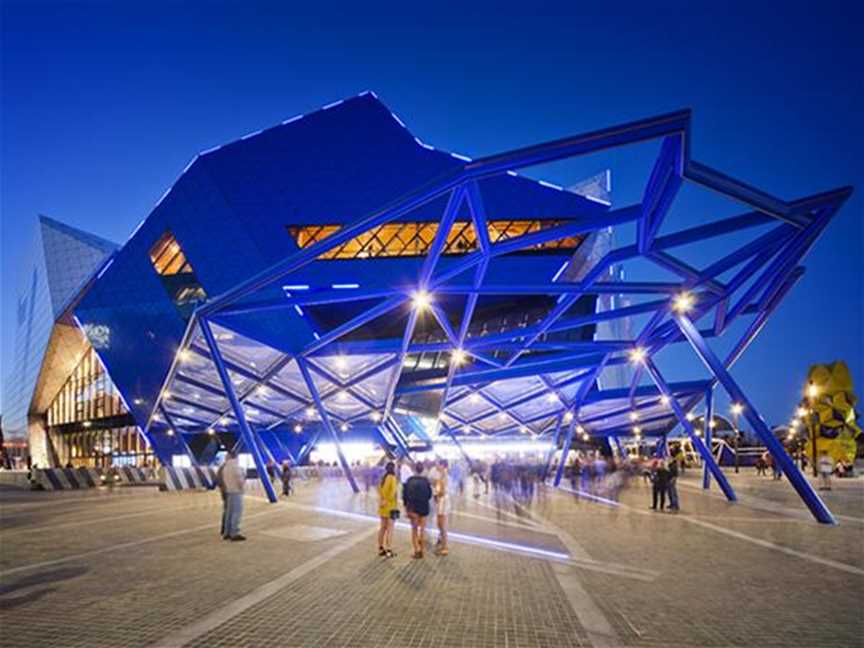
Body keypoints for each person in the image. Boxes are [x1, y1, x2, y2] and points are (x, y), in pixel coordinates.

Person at [402, 462, 433, 559]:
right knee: (422, 530)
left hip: (413, 508)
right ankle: (422, 551)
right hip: (424, 507)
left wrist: (406, 507)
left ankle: (416, 550)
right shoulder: (426, 481)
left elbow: (405, 495)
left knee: (414, 530)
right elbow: (429, 495)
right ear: (422, 469)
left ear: (414, 469)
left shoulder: (409, 480)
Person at [217, 450, 247, 541]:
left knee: (229, 513)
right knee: (236, 513)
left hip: (228, 491)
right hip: (236, 491)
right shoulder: (236, 467)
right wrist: (242, 488)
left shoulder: (225, 467)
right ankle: (234, 533)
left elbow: (221, 479)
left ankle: (227, 532)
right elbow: (240, 480)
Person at [429, 459, 451, 556]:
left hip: (443, 501)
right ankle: (441, 542)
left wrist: (437, 494)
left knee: (442, 524)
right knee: (439, 523)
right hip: (440, 500)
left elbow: (442, 490)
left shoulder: (445, 476)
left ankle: (445, 546)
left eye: (438, 465)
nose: (436, 467)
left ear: (443, 466)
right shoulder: (441, 476)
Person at [377, 461, 398, 558]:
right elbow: (393, 492)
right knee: (390, 529)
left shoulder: (383, 478)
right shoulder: (393, 478)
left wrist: (382, 500)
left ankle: (381, 548)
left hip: (382, 507)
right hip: (391, 507)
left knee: (382, 528)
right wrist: (387, 500)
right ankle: (389, 550)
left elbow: (379, 490)